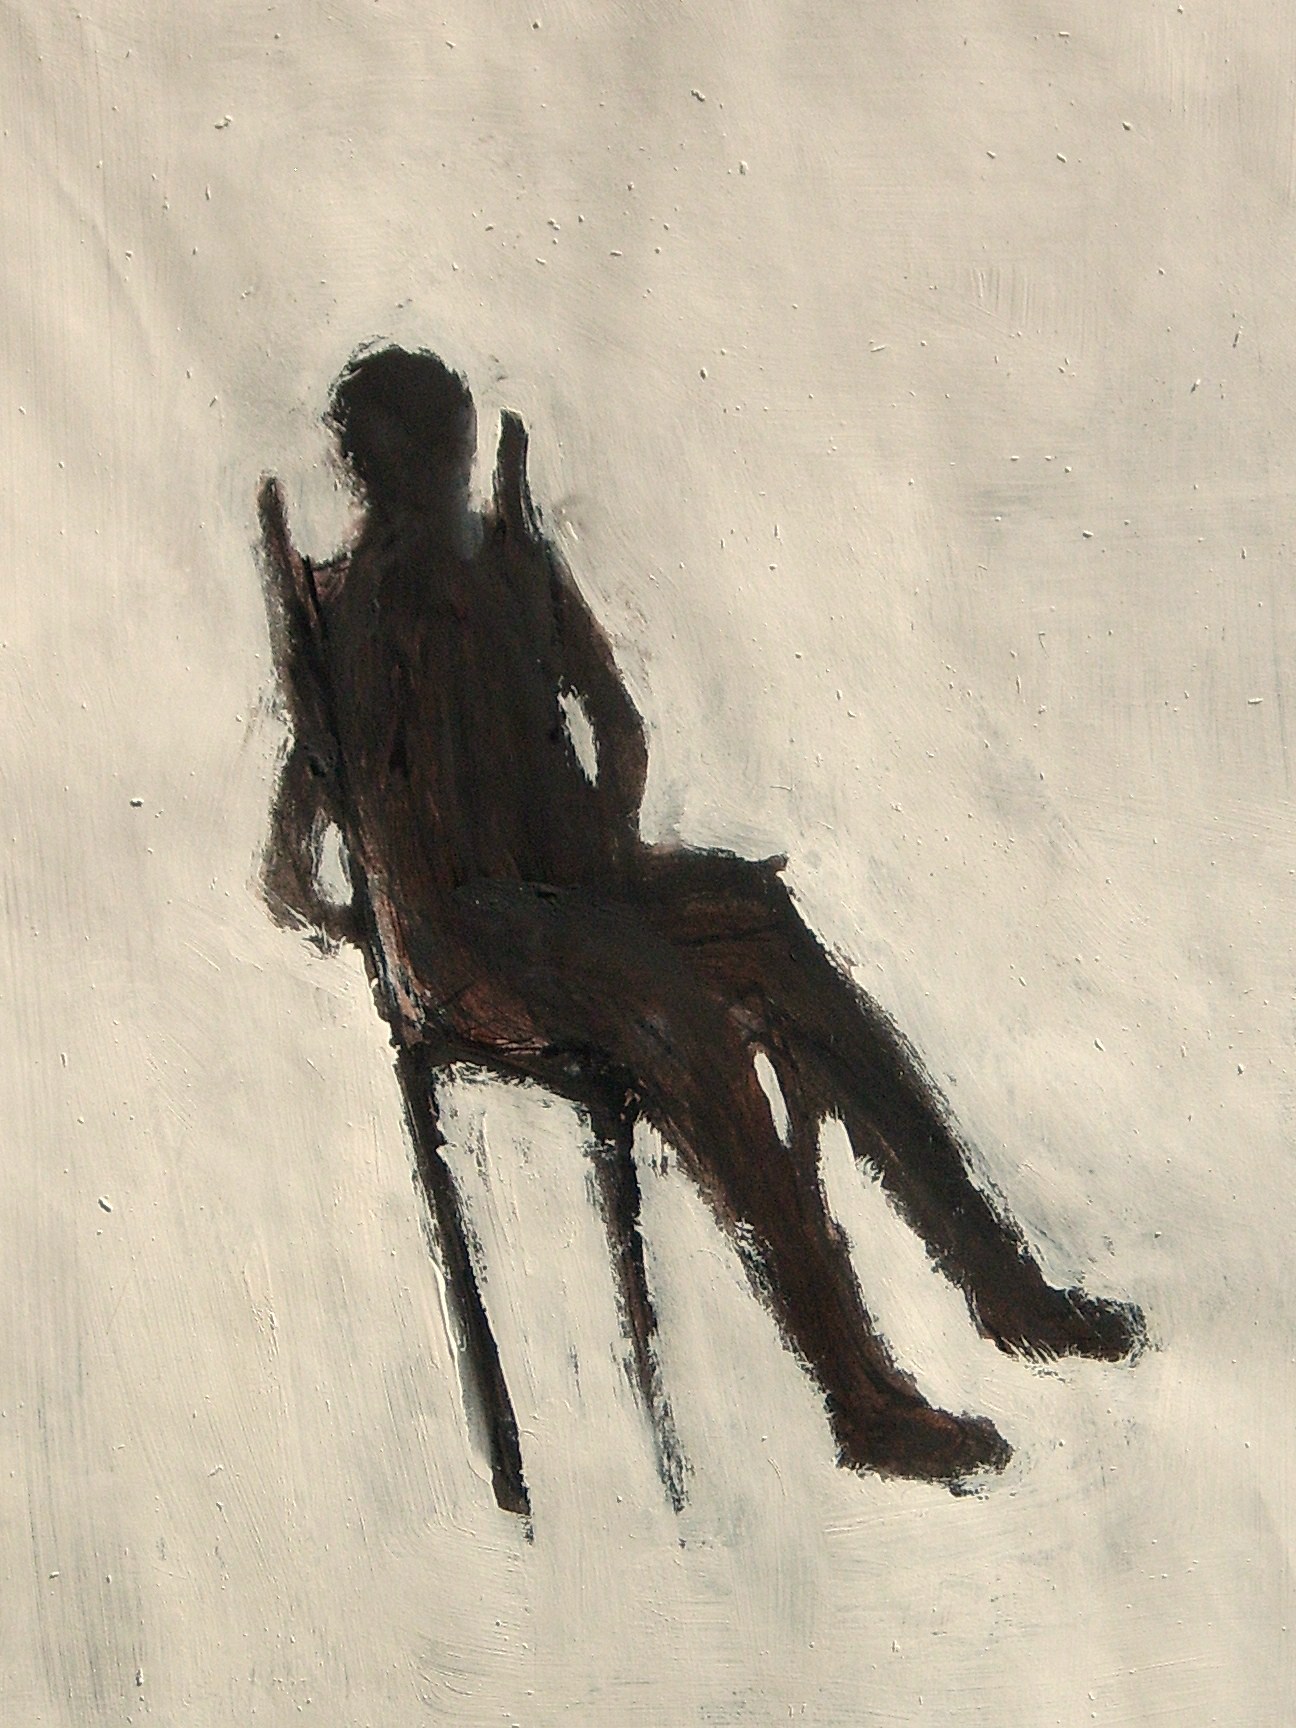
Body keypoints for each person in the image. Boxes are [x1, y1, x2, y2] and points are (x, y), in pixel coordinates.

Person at [257, 345, 1143, 1519]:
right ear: (390, 472)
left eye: (445, 463)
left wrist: (601, 852)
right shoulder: (367, 612)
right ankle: (860, 1394)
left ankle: (1002, 1286)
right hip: (468, 948)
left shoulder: (492, 568)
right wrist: (394, 936)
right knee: (680, 1015)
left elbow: (615, 727)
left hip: (569, 902)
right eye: (431, 465)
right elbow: (300, 855)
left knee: (762, 923)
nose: (443, 485)